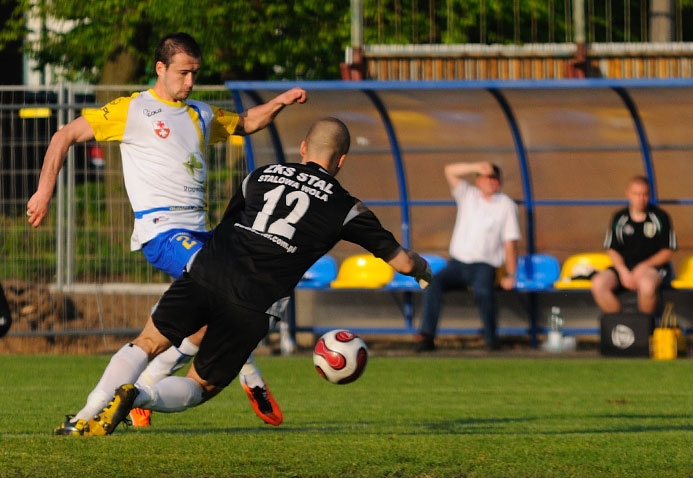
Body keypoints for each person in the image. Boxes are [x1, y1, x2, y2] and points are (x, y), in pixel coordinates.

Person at [52, 117, 433, 436]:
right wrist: (423, 269)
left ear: (303, 148)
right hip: (254, 300)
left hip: (208, 270)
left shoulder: (259, 175)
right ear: (342, 160)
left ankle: (84, 417)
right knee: (203, 385)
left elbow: (228, 225)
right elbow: (400, 262)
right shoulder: (348, 207)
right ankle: (140, 397)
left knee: (147, 342)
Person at [27, 33, 306, 427]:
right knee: (228, 290)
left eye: (195, 73)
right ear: (160, 69)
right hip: (162, 231)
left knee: (208, 317)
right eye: (183, 73)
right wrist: (43, 190)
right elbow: (64, 135)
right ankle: (251, 376)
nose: (189, 82)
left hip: (201, 234)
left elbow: (246, 123)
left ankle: (142, 389)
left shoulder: (200, 113)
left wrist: (278, 103)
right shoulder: (132, 109)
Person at [416, 161, 520, 352]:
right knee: (433, 284)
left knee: (483, 291)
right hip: (457, 264)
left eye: (495, 178)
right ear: (478, 180)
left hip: (485, 266)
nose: (491, 182)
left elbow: (510, 243)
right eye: (487, 177)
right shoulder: (468, 195)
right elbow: (449, 170)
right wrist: (476, 167)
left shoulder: (506, 205)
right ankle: (427, 337)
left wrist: (511, 274)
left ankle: (491, 340)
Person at [591, 175, 677, 315]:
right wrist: (623, 271)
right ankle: (623, 325)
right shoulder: (619, 218)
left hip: (651, 269)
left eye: (644, 194)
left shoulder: (660, 217)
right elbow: (612, 249)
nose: (641, 198)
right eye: (636, 194)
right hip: (624, 269)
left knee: (647, 285)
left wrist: (643, 267)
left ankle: (644, 328)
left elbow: (667, 251)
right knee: (598, 284)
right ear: (628, 194)